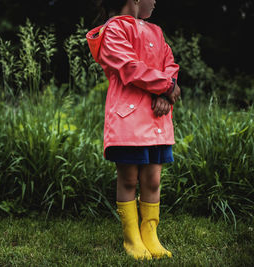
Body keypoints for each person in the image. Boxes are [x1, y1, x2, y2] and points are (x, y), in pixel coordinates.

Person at [86, 0, 181, 260]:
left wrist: (167, 90)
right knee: (128, 179)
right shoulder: (113, 30)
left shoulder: (157, 31)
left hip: (156, 118)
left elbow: (169, 64)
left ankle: (150, 235)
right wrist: (166, 87)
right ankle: (132, 239)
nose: (156, 1)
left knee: (153, 180)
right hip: (127, 119)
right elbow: (130, 69)